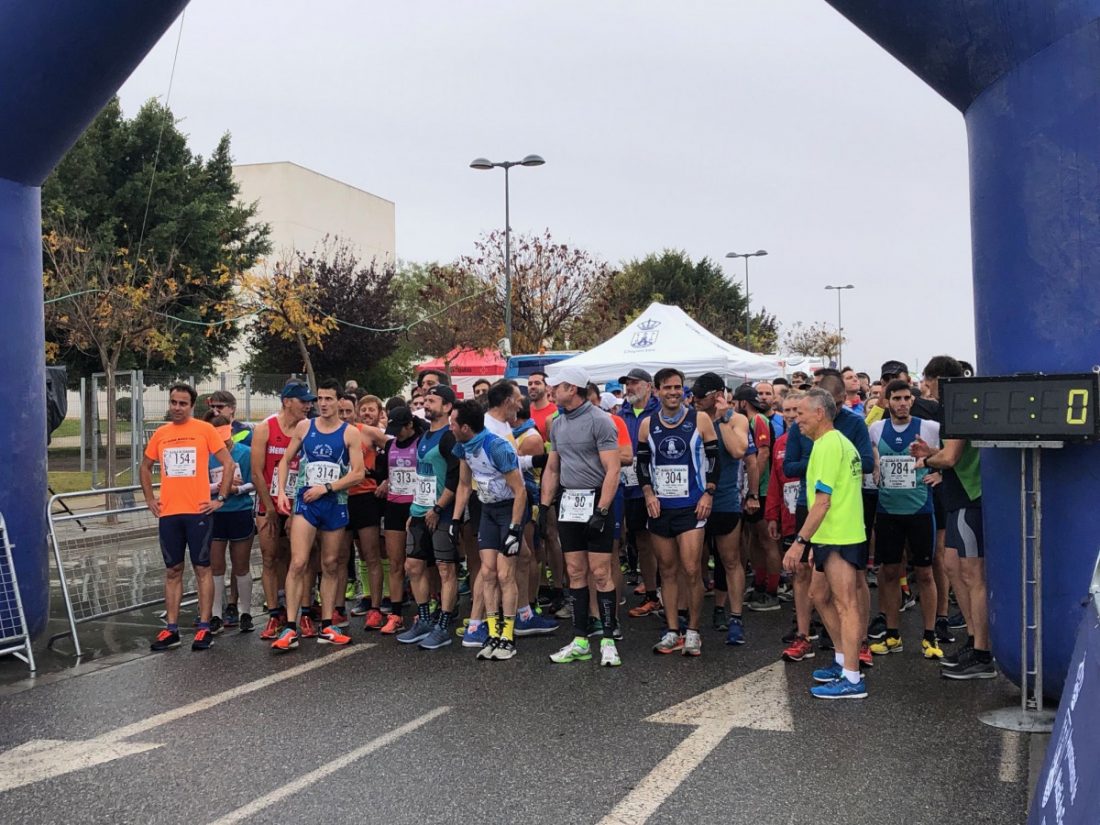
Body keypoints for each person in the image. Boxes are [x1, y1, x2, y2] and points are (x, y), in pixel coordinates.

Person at [910, 355, 994, 679]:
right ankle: (974, 640)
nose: (925, 389)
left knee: (975, 576)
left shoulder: (960, 405)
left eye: (927, 383)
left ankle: (983, 653)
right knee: (952, 567)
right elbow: (945, 456)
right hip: (958, 497)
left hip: (971, 498)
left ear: (939, 380)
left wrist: (930, 460)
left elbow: (952, 457)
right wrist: (929, 454)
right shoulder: (955, 405)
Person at [783, 389, 868, 699]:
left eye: (801, 414)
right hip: (832, 534)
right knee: (819, 594)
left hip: (840, 535)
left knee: (846, 605)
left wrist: (799, 543)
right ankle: (843, 660)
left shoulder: (830, 445)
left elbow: (822, 502)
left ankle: (853, 678)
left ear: (819, 413)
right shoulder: (832, 443)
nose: (796, 419)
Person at [540, 365, 625, 667]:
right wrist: (544, 505)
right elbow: (552, 467)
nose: (551, 391)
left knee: (600, 572)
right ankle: (579, 640)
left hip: (595, 498)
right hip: (569, 501)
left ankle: (608, 639)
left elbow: (613, 469)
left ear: (572, 389)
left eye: (557, 386)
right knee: (574, 572)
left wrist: (602, 509)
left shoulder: (600, 421)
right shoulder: (557, 424)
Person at [141, 383, 235, 652]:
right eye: (173, 402)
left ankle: (204, 628)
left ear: (192, 406)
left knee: (202, 568)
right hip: (169, 513)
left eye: (183, 403)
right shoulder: (161, 433)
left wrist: (221, 499)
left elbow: (228, 463)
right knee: (172, 570)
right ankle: (171, 629)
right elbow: (145, 466)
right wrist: (149, 498)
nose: (177, 408)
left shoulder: (204, 430)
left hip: (198, 512)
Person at [273, 379, 365, 651]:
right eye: (319, 399)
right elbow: (284, 461)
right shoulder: (305, 427)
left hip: (334, 502)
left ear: (339, 401)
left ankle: (327, 624)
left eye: (328, 399)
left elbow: (358, 473)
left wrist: (326, 488)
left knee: (331, 563)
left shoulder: (350, 433)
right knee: (299, 562)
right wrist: (281, 492)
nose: (322, 404)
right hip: (306, 503)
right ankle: (290, 627)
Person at [637, 368, 720, 656]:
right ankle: (673, 630)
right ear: (656, 390)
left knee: (691, 569)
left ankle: (694, 631)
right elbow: (642, 465)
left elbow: (714, 459)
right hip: (661, 506)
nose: (673, 392)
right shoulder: (647, 424)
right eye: (667, 387)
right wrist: (648, 493)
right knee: (667, 571)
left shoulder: (700, 419)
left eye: (678, 387)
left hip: (692, 505)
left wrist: (709, 493)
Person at [868, 379, 943, 659]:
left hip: (920, 511)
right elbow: (869, 452)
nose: (902, 403)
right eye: (896, 399)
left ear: (912, 400)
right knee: (888, 573)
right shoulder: (877, 429)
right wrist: (875, 468)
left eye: (906, 398)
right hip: (888, 511)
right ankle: (892, 634)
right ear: (887, 402)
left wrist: (940, 473)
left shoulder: (929, 427)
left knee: (925, 573)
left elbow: (950, 455)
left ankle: (929, 636)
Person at [450, 400, 528, 660]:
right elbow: (463, 485)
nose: (449, 427)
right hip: (487, 511)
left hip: (509, 510)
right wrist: (455, 519)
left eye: (452, 423)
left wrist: (516, 529)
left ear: (465, 427)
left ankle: (508, 635)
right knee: (488, 572)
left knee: (506, 575)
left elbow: (520, 491)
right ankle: (493, 632)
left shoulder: (496, 447)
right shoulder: (462, 447)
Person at [398, 385, 462, 649]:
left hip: (441, 513)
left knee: (446, 569)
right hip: (419, 511)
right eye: (425, 400)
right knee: (412, 566)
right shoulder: (424, 435)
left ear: (447, 407)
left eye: (432, 400)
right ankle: (423, 619)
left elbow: (456, 477)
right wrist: (415, 510)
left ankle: (443, 625)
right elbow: (422, 475)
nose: (426, 404)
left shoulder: (449, 437)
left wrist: (438, 508)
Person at [250, 380, 314, 641]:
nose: (308, 406)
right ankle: (275, 614)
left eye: (310, 401)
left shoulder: (309, 430)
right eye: (303, 401)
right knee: (270, 558)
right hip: (269, 503)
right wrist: (271, 507)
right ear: (287, 402)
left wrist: (295, 506)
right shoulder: (265, 428)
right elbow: (256, 471)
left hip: (299, 502)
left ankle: (305, 612)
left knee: (300, 560)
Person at [691, 373, 750, 646]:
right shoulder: (691, 418)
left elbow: (739, 451)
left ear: (716, 396)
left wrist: (724, 420)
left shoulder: (737, 419)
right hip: (696, 498)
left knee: (730, 560)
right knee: (695, 561)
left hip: (725, 498)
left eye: (700, 397)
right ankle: (693, 616)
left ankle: (734, 616)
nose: (695, 401)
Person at [204, 414, 256, 635]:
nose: (222, 442)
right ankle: (216, 615)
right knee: (216, 566)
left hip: (240, 511)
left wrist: (237, 489)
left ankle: (245, 612)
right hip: (215, 513)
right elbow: (201, 487)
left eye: (225, 436)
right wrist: (220, 486)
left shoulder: (245, 453)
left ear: (232, 432)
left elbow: (254, 482)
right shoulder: (206, 456)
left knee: (241, 565)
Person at [377, 405, 425, 634]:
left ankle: (422, 610)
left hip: (415, 507)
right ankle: (396, 614)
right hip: (394, 507)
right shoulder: (390, 444)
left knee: (417, 564)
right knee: (396, 563)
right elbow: (387, 471)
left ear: (410, 425)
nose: (397, 433)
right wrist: (385, 481)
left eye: (401, 429)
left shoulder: (422, 442)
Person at [621, 369, 662, 620]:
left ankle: (671, 595)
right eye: (627, 384)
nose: (630, 388)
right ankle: (651, 593)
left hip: (660, 486)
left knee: (665, 541)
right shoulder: (620, 414)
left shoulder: (659, 411)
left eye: (635, 383)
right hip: (631, 486)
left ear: (648, 386)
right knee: (642, 541)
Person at [346, 394, 388, 630]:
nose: (344, 416)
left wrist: (388, 479)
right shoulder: (332, 432)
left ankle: (378, 603)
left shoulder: (368, 433)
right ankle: (364, 597)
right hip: (342, 497)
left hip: (366, 496)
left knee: (373, 552)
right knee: (352, 554)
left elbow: (397, 452)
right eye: (339, 411)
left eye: (347, 411)